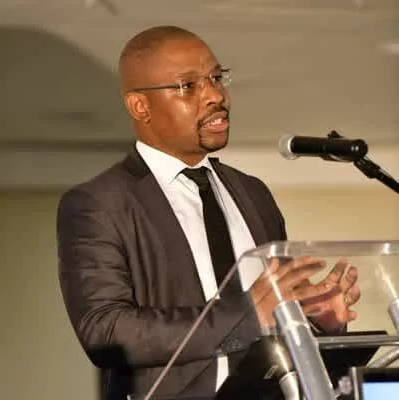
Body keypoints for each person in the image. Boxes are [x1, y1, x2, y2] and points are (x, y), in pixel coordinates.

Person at [57, 25, 360, 400]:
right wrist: (245, 314)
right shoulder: (100, 202)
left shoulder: (253, 193)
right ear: (140, 106)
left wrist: (315, 320)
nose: (216, 95)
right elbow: (106, 332)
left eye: (216, 78)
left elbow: (272, 317)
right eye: (188, 86)